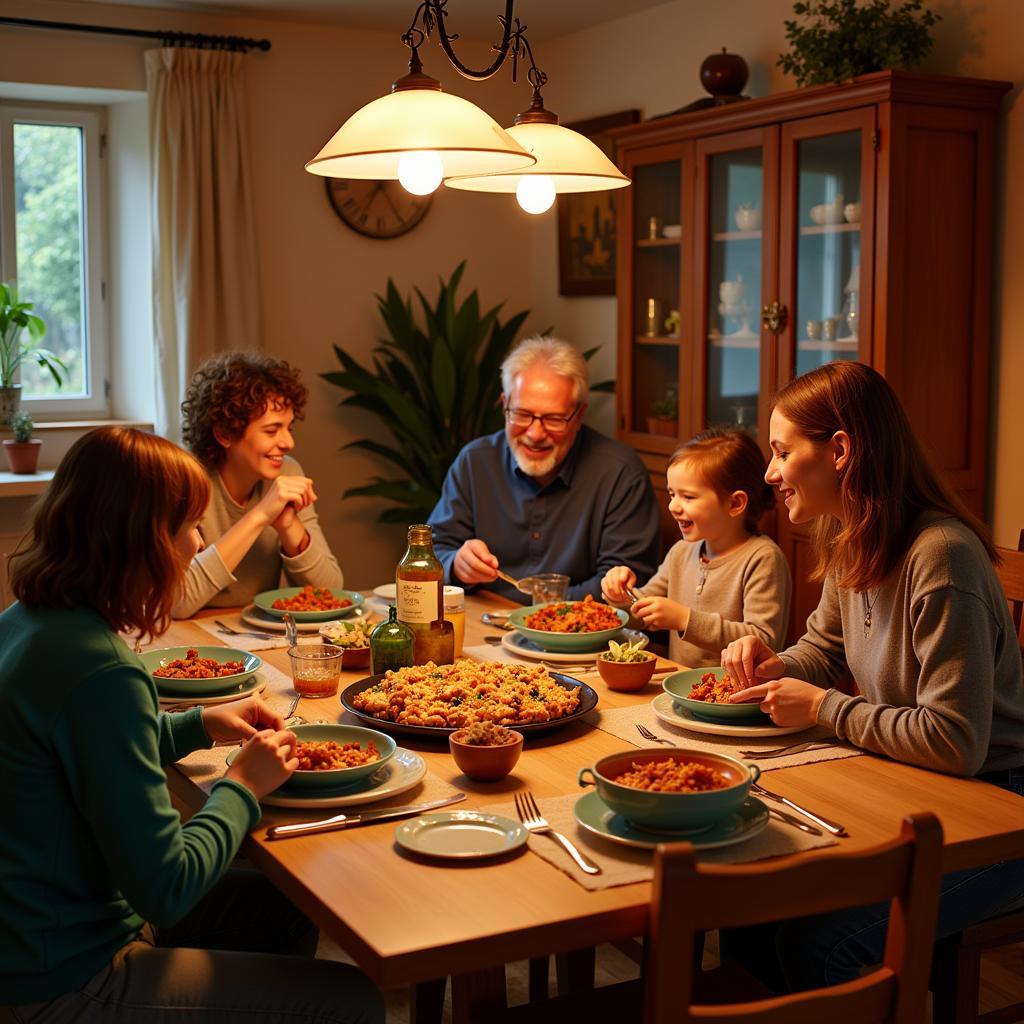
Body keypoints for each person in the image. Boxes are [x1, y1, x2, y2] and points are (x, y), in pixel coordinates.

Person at [0, 427, 382, 1023]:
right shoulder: (103, 671)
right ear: (145, 541)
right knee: (352, 1000)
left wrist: (197, 724)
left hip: (31, 937)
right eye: (190, 528)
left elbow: (86, 748)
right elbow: (168, 891)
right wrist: (245, 785)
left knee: (285, 903)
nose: (197, 544)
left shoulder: (28, 622)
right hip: (64, 976)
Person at [718, 361, 1024, 992]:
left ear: (840, 451)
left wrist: (824, 708)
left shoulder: (940, 556)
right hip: (919, 790)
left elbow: (956, 741)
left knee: (816, 943)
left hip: (1001, 810)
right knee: (746, 904)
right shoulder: (853, 536)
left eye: (781, 452)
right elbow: (823, 651)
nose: (770, 472)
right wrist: (774, 665)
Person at [427, 335, 660, 603]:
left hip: (577, 637)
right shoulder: (474, 462)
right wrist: (457, 565)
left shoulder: (621, 475)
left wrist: (541, 613)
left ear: (579, 415)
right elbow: (431, 555)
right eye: (522, 414)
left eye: (553, 419)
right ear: (505, 406)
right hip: (483, 623)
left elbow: (624, 584)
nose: (535, 433)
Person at [173, 352, 342, 618]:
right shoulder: (185, 481)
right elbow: (177, 602)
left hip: (254, 632)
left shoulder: (287, 472)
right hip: (189, 636)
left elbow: (331, 593)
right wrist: (261, 516)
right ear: (224, 433)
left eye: (289, 428)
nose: (288, 443)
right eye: (271, 431)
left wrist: (288, 525)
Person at [602, 427, 790, 666]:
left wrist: (684, 619)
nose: (673, 506)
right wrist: (620, 596)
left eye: (688, 497)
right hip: (678, 686)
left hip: (735, 697)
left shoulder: (763, 558)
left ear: (735, 503)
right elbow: (640, 616)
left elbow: (763, 640)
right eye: (672, 494)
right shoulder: (681, 552)